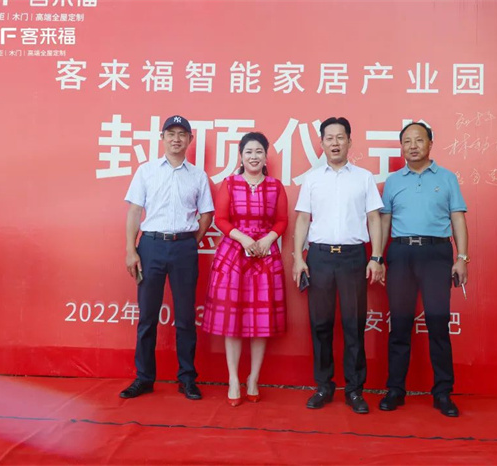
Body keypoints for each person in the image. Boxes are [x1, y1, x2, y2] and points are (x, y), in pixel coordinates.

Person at [292, 117, 385, 414]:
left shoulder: (363, 178)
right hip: (319, 257)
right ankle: (324, 385)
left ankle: (355, 390)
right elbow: (303, 219)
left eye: (340, 137)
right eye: (329, 138)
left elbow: (374, 218)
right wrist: (298, 257)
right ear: (322, 143)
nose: (335, 143)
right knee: (320, 324)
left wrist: (376, 257)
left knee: (353, 324)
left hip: (353, 257)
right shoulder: (312, 179)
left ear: (349, 141)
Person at [120, 115, 215, 400]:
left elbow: (207, 214)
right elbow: (135, 211)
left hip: (184, 247)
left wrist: (190, 242)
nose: (176, 139)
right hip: (150, 246)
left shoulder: (197, 176)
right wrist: (130, 250)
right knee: (147, 316)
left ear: (190, 140)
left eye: (182, 134)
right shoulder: (146, 171)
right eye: (171, 133)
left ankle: (187, 378)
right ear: (162, 138)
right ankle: (144, 378)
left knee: (185, 317)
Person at [378, 121, 469, 417]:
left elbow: (457, 218)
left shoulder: (447, 178)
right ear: (401, 147)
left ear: (430, 143)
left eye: (418, 140)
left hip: (436, 254)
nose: (413, 146)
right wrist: (378, 257)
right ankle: (395, 389)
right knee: (400, 325)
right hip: (401, 253)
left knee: (438, 325)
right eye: (407, 141)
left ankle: (443, 392)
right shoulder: (393, 181)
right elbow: (385, 221)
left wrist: (462, 257)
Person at [201, 132, 288, 407]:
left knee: (261, 322)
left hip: (265, 256)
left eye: (259, 151)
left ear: (265, 156)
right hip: (234, 257)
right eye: (249, 151)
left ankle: (253, 378)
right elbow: (221, 219)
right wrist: (245, 239)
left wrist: (267, 240)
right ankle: (233, 379)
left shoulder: (275, 186)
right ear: (241, 155)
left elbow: (282, 220)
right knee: (233, 321)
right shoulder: (230, 184)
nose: (254, 156)